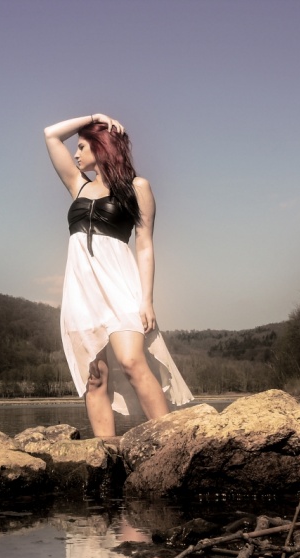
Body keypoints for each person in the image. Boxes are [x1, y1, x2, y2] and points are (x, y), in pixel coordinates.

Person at [44, 113, 193, 437]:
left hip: (121, 287)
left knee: (131, 361)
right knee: (95, 378)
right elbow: (51, 135)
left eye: (82, 146)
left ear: (101, 146)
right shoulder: (78, 185)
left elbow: (145, 246)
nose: (76, 153)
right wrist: (94, 116)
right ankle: (106, 455)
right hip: (82, 294)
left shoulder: (137, 187)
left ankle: (169, 441)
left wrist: (147, 300)